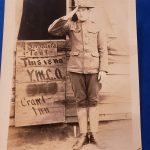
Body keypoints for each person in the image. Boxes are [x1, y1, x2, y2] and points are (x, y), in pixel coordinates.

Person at [48, 0, 108, 149]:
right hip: (75, 69)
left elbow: (103, 50)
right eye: (78, 10)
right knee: (80, 102)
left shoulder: (97, 27)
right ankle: (83, 135)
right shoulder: (70, 25)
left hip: (94, 70)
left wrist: (103, 70)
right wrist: (68, 16)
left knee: (93, 102)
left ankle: (93, 134)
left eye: (83, 10)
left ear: (89, 11)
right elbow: (52, 30)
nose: (80, 13)